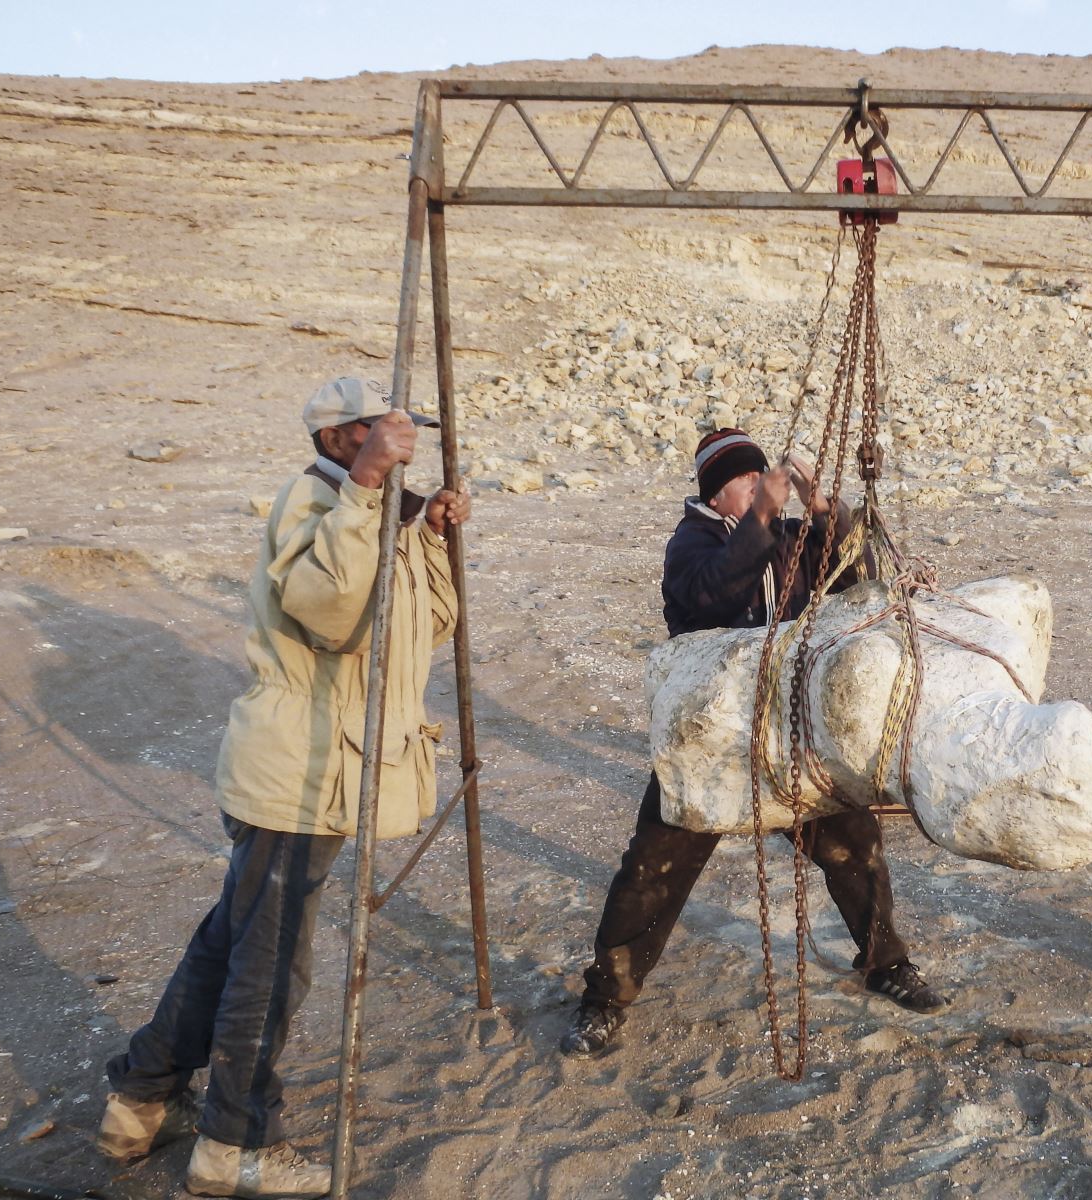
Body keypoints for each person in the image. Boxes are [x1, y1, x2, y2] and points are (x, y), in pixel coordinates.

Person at [97, 377, 468, 1197]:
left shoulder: (377, 519)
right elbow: (333, 617)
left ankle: (139, 1096)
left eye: (408, 437)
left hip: (327, 765)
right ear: (341, 440)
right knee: (268, 966)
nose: (407, 449)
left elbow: (423, 632)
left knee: (235, 941)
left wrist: (434, 539)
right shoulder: (317, 504)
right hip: (298, 767)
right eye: (386, 435)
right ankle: (233, 1147)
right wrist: (369, 489)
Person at [560, 428, 946, 1057]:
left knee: (853, 845)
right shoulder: (693, 544)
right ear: (719, 491)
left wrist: (827, 514)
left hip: (788, 732)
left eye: (764, 478)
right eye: (749, 480)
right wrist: (764, 514)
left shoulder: (785, 535)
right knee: (654, 869)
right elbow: (716, 592)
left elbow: (859, 582)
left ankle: (885, 962)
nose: (767, 486)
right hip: (711, 738)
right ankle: (605, 998)